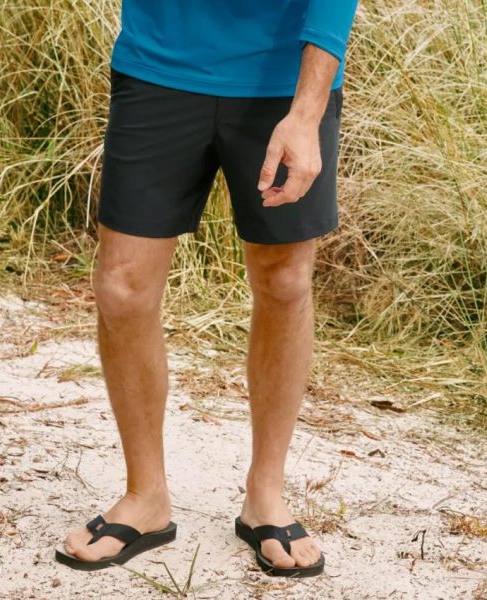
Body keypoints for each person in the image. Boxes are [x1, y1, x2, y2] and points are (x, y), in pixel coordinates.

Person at [55, 0, 358, 578]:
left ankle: (265, 496)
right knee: (122, 287)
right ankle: (146, 496)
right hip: (158, 64)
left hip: (284, 80)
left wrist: (307, 111)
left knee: (284, 281)